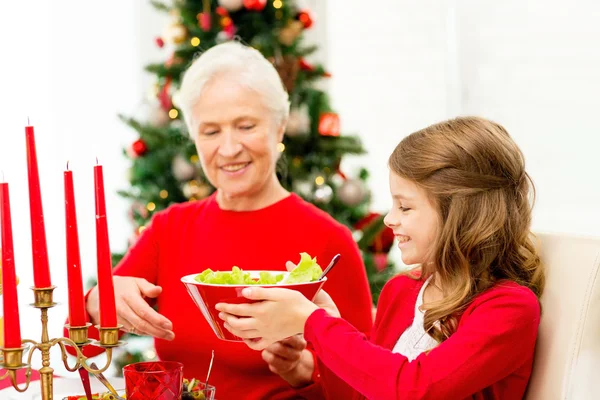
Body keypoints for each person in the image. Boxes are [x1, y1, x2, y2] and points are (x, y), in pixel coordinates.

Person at [80, 41, 373, 399]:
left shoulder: (329, 239)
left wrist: (304, 373)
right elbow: (81, 352)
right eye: (211, 131)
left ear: (279, 128)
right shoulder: (169, 229)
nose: (230, 148)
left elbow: (367, 384)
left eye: (246, 125)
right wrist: (97, 302)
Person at [216, 116, 546, 400]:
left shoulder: (508, 310)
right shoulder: (401, 290)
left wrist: (313, 322)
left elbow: (413, 389)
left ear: (460, 215)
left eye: (405, 207)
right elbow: (367, 392)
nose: (389, 219)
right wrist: (307, 364)